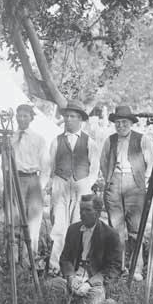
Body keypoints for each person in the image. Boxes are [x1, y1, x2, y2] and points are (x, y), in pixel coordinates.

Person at [96, 105, 153, 279]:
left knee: (136, 228)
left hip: (135, 184)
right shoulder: (110, 140)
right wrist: (109, 179)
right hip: (114, 182)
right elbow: (103, 162)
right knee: (116, 229)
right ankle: (118, 268)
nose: (120, 125)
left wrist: (143, 181)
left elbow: (151, 163)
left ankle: (136, 268)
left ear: (131, 123)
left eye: (124, 122)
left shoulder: (142, 139)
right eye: (117, 122)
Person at [47, 99, 100, 275]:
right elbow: (50, 165)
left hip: (81, 184)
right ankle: (55, 266)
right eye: (67, 116)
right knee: (59, 225)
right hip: (60, 183)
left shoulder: (89, 141)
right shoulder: (56, 140)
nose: (68, 119)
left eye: (73, 116)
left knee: (79, 224)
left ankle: (77, 265)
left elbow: (95, 168)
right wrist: (52, 183)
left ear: (80, 119)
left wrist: (86, 185)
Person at [47, 194, 120, 304]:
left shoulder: (110, 234)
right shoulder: (73, 229)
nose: (83, 213)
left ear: (98, 213)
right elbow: (65, 258)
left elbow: (114, 267)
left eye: (88, 210)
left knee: (95, 297)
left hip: (94, 282)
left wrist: (90, 283)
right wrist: (71, 277)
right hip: (74, 277)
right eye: (81, 210)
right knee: (50, 286)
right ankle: (76, 300)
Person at [9, 103, 49, 268]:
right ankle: (13, 260)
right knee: (14, 218)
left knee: (32, 221)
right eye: (19, 115)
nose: (21, 119)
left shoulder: (38, 139)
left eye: (25, 116)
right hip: (15, 178)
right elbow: (5, 162)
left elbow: (45, 165)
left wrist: (39, 186)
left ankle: (29, 259)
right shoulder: (10, 138)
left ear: (31, 118)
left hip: (32, 179)